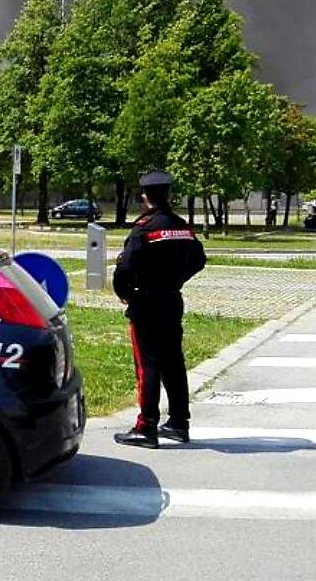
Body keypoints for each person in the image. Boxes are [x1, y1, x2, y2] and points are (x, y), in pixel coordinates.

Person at [112, 171, 207, 448]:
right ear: (168, 195)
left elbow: (124, 269)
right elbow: (199, 260)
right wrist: (177, 279)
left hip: (146, 303)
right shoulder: (181, 226)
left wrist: (127, 294)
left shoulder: (144, 228)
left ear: (145, 198)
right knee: (174, 364)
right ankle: (179, 423)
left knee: (148, 366)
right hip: (171, 300)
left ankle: (146, 427)